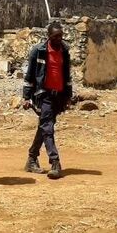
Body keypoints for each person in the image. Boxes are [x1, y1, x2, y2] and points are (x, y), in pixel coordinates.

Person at [22, 21, 73, 179]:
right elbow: (30, 76)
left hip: (59, 96)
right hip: (43, 95)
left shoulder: (65, 51)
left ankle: (31, 158)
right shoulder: (38, 51)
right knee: (47, 127)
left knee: (44, 127)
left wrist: (68, 96)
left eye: (61, 36)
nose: (59, 39)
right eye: (56, 36)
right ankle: (55, 162)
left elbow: (67, 76)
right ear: (49, 36)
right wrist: (26, 97)